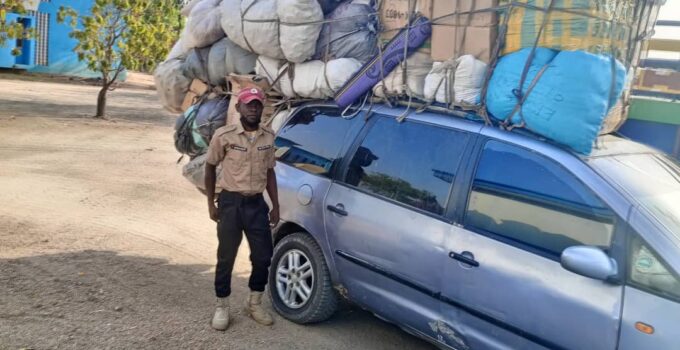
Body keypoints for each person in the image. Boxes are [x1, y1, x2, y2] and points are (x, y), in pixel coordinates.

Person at [204, 87, 280, 331]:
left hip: (256, 204)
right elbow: (209, 166)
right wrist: (210, 203)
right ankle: (222, 305)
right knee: (226, 256)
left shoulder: (268, 137)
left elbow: (269, 172)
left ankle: (254, 301)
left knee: (263, 256)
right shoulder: (224, 135)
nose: (253, 108)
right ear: (238, 108)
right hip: (230, 204)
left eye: (257, 104)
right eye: (248, 104)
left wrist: (275, 205)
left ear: (262, 108)